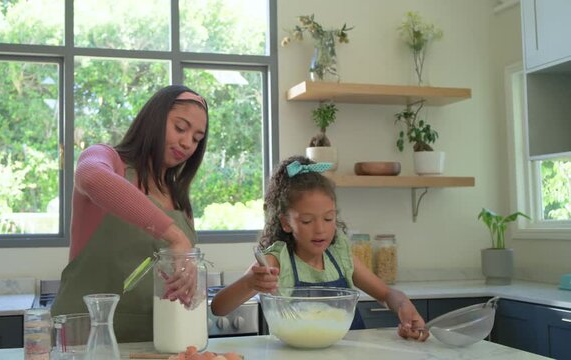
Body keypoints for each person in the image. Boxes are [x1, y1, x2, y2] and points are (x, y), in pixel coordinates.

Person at [210, 155, 430, 341]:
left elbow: (387, 294)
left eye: (328, 218)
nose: (320, 230)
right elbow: (218, 307)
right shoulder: (277, 259)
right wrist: (250, 282)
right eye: (307, 221)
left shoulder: (340, 254)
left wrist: (403, 306)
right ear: (286, 222)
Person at [51, 85, 208, 342]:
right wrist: (176, 237)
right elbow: (91, 177)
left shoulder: (178, 198)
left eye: (197, 138)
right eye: (180, 128)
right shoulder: (107, 160)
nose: (187, 143)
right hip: (87, 337)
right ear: (154, 119)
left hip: (154, 340)